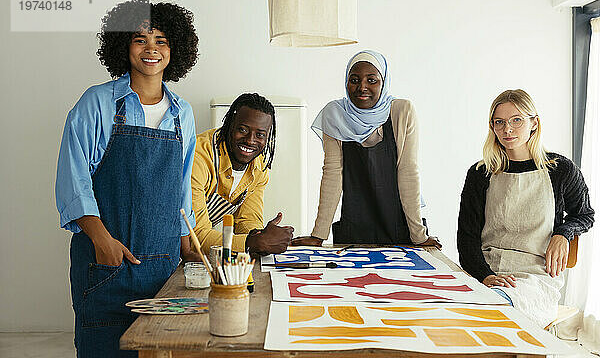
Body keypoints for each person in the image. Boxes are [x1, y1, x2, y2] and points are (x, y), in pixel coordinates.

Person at [55, 0, 201, 358]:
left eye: (162, 40)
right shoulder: (97, 103)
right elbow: (74, 180)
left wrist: (190, 248)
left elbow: (181, 192)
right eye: (140, 39)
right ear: (123, 46)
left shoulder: (183, 114)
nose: (151, 49)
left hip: (163, 270)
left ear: (175, 50)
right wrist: (102, 241)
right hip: (107, 266)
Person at [457, 89, 594, 328]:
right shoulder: (481, 173)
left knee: (496, 313)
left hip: (535, 276)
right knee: (460, 308)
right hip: (486, 270)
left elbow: (584, 214)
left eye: (516, 120)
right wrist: (486, 276)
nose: (507, 129)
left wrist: (563, 233)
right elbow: (467, 237)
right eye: (499, 122)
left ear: (534, 123)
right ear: (492, 127)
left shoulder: (560, 170)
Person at [292, 50, 440, 247]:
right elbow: (332, 174)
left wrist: (418, 235)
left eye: (372, 80)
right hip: (354, 226)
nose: (362, 87)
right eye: (354, 80)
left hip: (399, 224)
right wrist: (319, 235)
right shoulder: (335, 115)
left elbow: (408, 172)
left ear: (384, 82)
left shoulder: (401, 111)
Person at [191, 93, 294, 255]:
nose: (250, 140)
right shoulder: (198, 157)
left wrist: (259, 235)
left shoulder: (259, 167)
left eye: (260, 135)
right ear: (229, 125)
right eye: (243, 130)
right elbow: (195, 235)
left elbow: (247, 219)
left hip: (198, 253)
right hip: (166, 248)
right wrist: (250, 243)